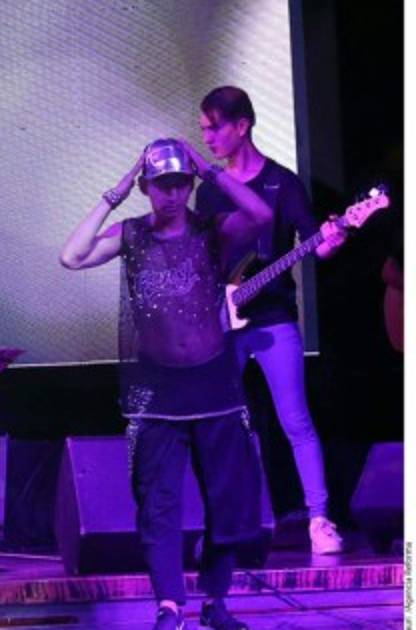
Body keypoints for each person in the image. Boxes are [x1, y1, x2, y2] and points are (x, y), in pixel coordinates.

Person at [60, 139, 271, 630]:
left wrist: (210, 171)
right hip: (155, 395)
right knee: (158, 505)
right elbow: (72, 256)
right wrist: (115, 192)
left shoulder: (213, 231)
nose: (172, 195)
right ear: (146, 188)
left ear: (189, 185)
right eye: (161, 185)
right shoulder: (131, 234)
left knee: (227, 502)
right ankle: (170, 606)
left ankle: (215, 601)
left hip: (215, 388)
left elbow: (261, 215)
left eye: (180, 184)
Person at [194, 86, 347, 554]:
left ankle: (320, 520)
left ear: (242, 126)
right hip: (224, 323)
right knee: (221, 425)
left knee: (295, 420)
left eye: (214, 128)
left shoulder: (283, 183)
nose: (207, 139)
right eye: (203, 130)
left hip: (274, 319)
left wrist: (332, 238)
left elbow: (316, 244)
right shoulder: (210, 192)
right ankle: (225, 524)